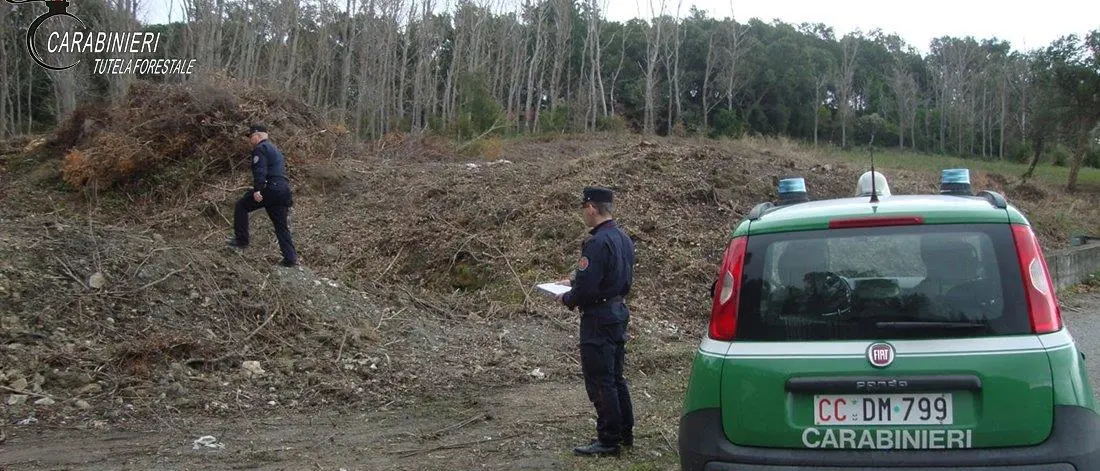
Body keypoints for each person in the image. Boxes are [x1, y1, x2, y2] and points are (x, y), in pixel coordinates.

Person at [556, 186, 635, 457]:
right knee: (615, 377)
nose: (584, 214)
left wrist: (568, 297)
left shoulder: (596, 243)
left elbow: (588, 288)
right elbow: (612, 276)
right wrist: (573, 282)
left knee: (600, 380)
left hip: (598, 318)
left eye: (584, 208)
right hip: (617, 312)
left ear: (591, 208)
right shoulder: (623, 238)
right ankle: (624, 432)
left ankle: (608, 440)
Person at [228, 124, 299, 267]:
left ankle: (241, 240)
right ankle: (290, 258)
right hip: (283, 190)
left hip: (270, 188)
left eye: (251, 136)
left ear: (258, 135)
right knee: (281, 226)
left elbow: (260, 169)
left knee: (241, 206)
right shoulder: (276, 150)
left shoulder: (260, 149)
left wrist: (258, 189)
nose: (250, 140)